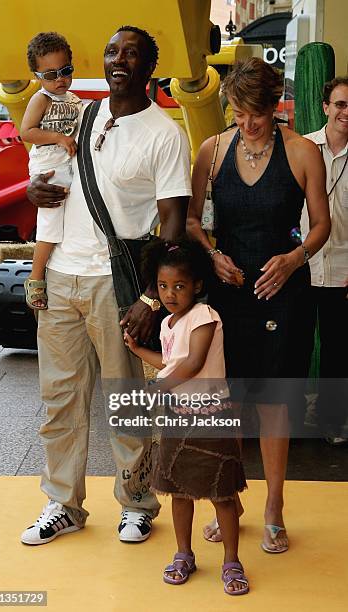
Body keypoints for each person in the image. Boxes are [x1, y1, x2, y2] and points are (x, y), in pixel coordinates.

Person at [21, 26, 192, 546]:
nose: (119, 60)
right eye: (113, 50)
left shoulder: (164, 133)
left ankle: (137, 502)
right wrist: (33, 190)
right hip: (60, 274)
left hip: (112, 281)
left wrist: (147, 297)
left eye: (132, 54)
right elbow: (48, 163)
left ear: (149, 69)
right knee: (60, 398)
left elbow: (173, 224)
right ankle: (63, 503)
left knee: (126, 399)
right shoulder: (83, 112)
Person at [187, 58, 331, 552]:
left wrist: (294, 259)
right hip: (228, 293)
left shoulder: (302, 151)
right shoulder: (212, 149)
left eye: (259, 112)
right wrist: (212, 256)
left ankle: (274, 504)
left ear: (276, 107)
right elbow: (191, 222)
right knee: (227, 403)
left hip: (285, 292)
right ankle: (230, 498)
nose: (248, 122)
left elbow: (320, 225)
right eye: (240, 111)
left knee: (274, 403)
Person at [124, 238, 248, 596]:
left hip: (211, 417)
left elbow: (193, 364)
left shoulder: (205, 317)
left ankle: (231, 560)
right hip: (179, 417)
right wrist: (138, 350)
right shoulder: (167, 325)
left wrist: (157, 390)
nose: (170, 294)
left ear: (197, 285)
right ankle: (184, 553)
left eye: (179, 286)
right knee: (178, 492)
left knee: (222, 493)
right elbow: (171, 364)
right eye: (163, 286)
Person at [301, 76, 348, 446]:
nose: (345, 112)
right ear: (325, 108)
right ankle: (293, 420)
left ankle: (331, 420)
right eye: (340, 104)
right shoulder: (303, 149)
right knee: (295, 346)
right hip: (301, 264)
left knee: (337, 350)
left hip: (343, 271)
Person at [20, 32, 82, 309]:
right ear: (36, 76)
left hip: (67, 161)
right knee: (50, 222)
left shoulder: (73, 99)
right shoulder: (41, 99)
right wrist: (59, 138)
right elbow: (26, 132)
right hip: (49, 165)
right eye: (50, 74)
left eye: (65, 71)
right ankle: (35, 279)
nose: (59, 79)